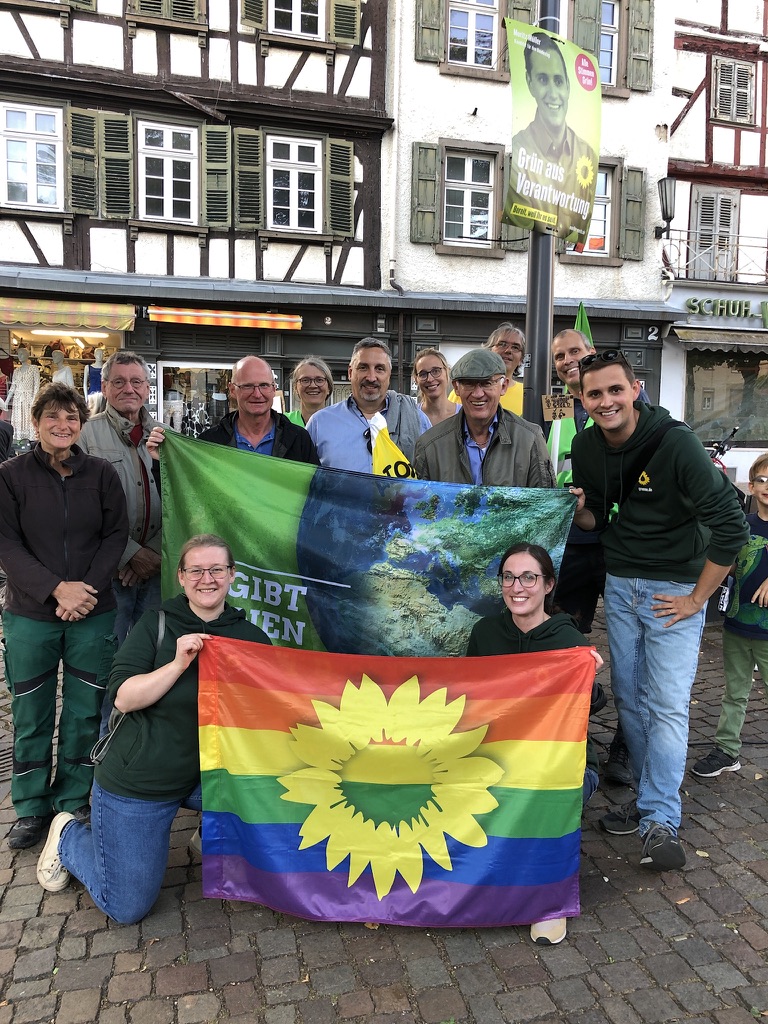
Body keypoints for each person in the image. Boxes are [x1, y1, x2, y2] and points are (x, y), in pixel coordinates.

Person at [569, 350, 749, 870]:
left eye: (614, 390)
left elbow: (732, 530)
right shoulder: (585, 445)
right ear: (583, 399)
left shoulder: (678, 444)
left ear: (635, 388)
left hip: (675, 591)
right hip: (622, 586)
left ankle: (660, 820)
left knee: (667, 706)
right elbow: (598, 519)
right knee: (629, 700)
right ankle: (649, 801)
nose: (606, 402)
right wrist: (579, 509)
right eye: (595, 394)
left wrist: (696, 599)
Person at [36, 534, 272, 923]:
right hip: (142, 778)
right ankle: (67, 835)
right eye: (196, 570)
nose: (207, 578)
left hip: (205, 775)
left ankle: (214, 835)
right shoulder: (156, 624)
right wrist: (177, 663)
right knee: (126, 907)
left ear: (232, 575)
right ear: (181, 577)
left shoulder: (250, 637)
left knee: (278, 782)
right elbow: (124, 698)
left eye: (216, 569)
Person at [0, 383, 128, 849]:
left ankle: (72, 799)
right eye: (52, 417)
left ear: (81, 423)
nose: (62, 425)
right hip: (31, 613)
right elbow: (7, 545)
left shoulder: (101, 475)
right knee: (31, 712)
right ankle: (31, 806)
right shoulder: (11, 476)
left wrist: (85, 592)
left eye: (71, 417)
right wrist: (56, 589)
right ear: (35, 423)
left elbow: (116, 535)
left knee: (83, 709)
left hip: (92, 611)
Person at [466, 542, 602, 947]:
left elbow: (590, 706)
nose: (517, 586)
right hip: (499, 758)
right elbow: (466, 702)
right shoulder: (485, 632)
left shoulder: (568, 641)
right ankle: (473, 885)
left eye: (529, 577)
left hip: (561, 766)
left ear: (548, 585)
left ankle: (549, 903)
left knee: (546, 798)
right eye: (509, 577)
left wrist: (589, 681)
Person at [548, 330, 650, 787]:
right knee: (568, 641)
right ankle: (580, 730)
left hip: (622, 548)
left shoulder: (620, 403)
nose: (568, 360)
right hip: (572, 546)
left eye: (575, 351)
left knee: (634, 653)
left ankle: (626, 749)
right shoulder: (552, 410)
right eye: (559, 356)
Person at [692, 454, 768, 779]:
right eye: (763, 480)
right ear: (751, 486)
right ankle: (726, 750)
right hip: (737, 625)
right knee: (734, 692)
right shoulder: (743, 525)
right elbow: (730, 565)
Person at [79, 353, 162, 645]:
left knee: (151, 654)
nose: (129, 388)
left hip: (156, 570)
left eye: (137, 381)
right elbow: (80, 507)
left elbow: (182, 499)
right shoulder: (85, 435)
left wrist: (152, 554)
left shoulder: (166, 435)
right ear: (105, 386)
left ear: (147, 387)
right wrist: (129, 555)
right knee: (107, 657)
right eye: (119, 381)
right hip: (109, 575)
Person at [503, 31, 598, 241]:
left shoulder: (587, 155)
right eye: (543, 79)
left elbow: (578, 227)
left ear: (568, 86)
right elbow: (528, 223)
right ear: (530, 83)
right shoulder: (519, 151)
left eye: (558, 81)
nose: (554, 94)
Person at [414, 349, 555, 487]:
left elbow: (546, 505)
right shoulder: (430, 445)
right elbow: (419, 505)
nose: (478, 393)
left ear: (503, 386)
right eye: (469, 384)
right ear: (456, 388)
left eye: (487, 383)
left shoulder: (530, 439)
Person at [152, 355, 319, 465]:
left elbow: (315, 494)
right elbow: (188, 493)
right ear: (232, 390)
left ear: (273, 389)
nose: (257, 394)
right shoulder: (210, 442)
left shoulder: (299, 439)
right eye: (247, 386)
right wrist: (162, 463)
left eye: (263, 385)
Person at [307, 338, 430, 472]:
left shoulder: (418, 420)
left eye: (379, 369)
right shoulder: (319, 424)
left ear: (389, 374)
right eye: (363, 368)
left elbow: (431, 476)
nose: (371, 377)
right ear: (350, 373)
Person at [449, 326, 526, 416]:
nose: (508, 350)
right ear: (489, 350)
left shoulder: (528, 395)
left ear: (521, 358)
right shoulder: (464, 390)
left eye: (515, 347)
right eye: (502, 344)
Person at [413, 348, 457, 427]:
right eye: (423, 374)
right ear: (416, 379)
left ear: (447, 372)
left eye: (436, 371)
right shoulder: (411, 416)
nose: (430, 379)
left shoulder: (465, 415)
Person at [287, 356, 334, 426]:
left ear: (329, 388)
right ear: (295, 388)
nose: (313, 385)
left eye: (319, 380)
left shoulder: (339, 423)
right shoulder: (283, 422)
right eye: (305, 380)